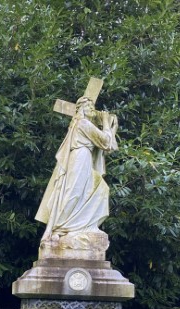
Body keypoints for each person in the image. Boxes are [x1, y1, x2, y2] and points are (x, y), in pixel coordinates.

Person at [36, 96, 118, 245]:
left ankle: (82, 226)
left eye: (93, 106)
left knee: (100, 189)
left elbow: (107, 144)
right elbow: (106, 141)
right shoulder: (83, 123)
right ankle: (59, 229)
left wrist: (110, 126)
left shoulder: (81, 123)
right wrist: (106, 121)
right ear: (81, 109)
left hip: (83, 158)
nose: (92, 109)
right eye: (89, 106)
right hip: (80, 158)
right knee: (74, 192)